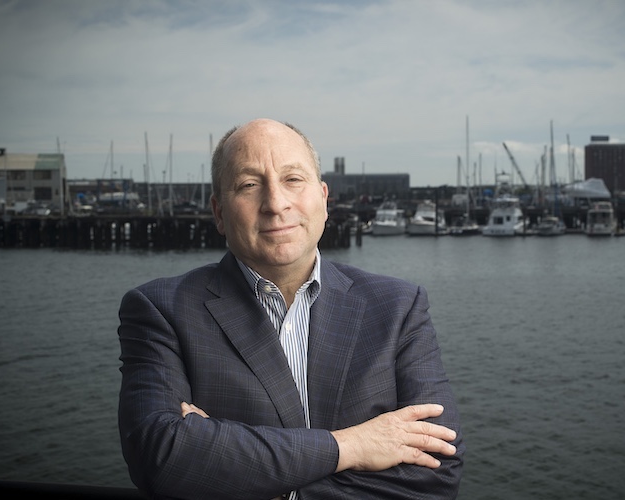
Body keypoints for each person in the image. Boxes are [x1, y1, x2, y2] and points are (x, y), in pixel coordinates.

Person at [117, 118, 464, 499]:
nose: (276, 203)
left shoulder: (399, 307)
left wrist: (243, 473)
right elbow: (161, 459)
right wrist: (352, 447)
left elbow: (437, 474)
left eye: (293, 179)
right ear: (218, 213)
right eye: (249, 185)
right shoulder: (161, 310)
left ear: (324, 198)